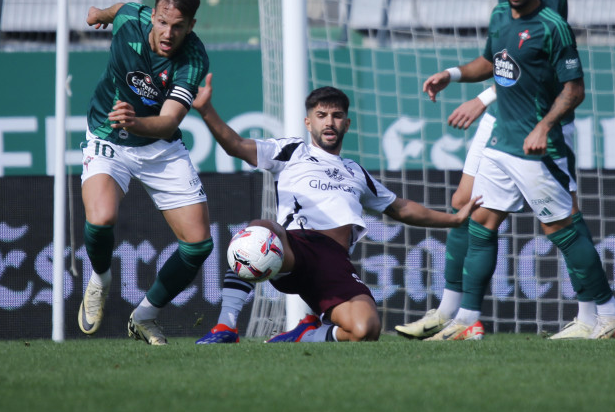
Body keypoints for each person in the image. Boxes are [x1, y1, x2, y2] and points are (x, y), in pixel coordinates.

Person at [396, 0, 605, 341]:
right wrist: (455, 75)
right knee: (468, 207)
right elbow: (503, 50)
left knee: (561, 218)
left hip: (529, 113)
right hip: (506, 110)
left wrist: (485, 98)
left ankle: (597, 313)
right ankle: (457, 313)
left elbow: (540, 64)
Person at [193, 77, 480, 343]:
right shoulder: (292, 152)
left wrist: (453, 219)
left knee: (366, 329)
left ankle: (306, 334)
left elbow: (401, 208)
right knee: (258, 231)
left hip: (333, 263)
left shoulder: (355, 171)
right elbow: (236, 145)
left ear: (347, 123)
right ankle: (226, 325)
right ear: (308, 122)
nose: (329, 122)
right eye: (321, 115)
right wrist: (206, 110)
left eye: (336, 115)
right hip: (294, 248)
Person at [77, 0, 212, 346]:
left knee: (199, 245)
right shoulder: (130, 20)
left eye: (180, 26)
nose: (169, 33)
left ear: (191, 26)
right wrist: (96, 14)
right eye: (164, 22)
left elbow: (169, 121)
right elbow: (117, 9)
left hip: (159, 145)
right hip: (109, 133)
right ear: (152, 16)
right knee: (101, 218)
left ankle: (145, 316)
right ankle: (101, 278)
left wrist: (136, 122)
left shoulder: (193, 60)